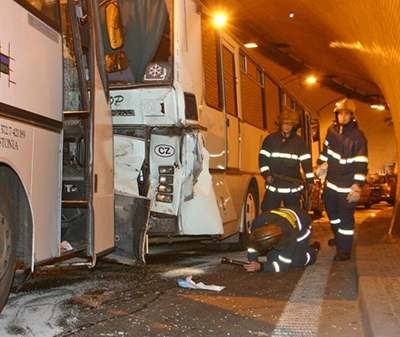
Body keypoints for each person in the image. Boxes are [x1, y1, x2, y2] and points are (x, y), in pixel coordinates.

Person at [316, 98, 368, 261]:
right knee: (332, 214)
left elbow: (361, 162)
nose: (343, 117)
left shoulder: (358, 137)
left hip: (347, 186)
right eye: (340, 113)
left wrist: (357, 186)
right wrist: (320, 165)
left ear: (352, 116)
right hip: (331, 184)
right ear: (336, 115)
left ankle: (344, 250)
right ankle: (339, 238)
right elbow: (325, 152)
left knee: (345, 219)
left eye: (346, 114)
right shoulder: (330, 131)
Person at [258, 108, 314, 211]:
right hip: (274, 184)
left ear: (294, 125)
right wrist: (266, 175)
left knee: (293, 216)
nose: (287, 126)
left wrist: (310, 181)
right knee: (268, 213)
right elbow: (263, 159)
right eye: (285, 123)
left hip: (292, 187)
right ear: (280, 124)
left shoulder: (299, 143)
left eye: (290, 124)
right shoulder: (270, 140)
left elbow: (306, 163)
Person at [244, 206, 320, 272]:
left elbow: (282, 266)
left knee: (297, 261)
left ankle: (313, 250)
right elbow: (252, 245)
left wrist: (261, 267)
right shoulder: (257, 224)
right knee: (272, 259)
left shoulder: (289, 237)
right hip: (282, 215)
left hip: (302, 223)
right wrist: (252, 261)